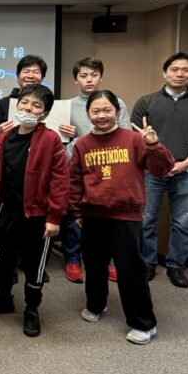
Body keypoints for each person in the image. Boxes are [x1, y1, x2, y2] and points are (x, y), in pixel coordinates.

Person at [69, 90, 174, 345]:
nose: (101, 115)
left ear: (116, 111)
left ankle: (143, 323)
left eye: (107, 110)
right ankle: (96, 305)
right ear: (88, 114)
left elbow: (162, 169)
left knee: (131, 272)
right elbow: (75, 181)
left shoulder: (134, 140)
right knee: (94, 267)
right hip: (93, 215)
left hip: (126, 216)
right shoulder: (82, 144)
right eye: (95, 111)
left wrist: (154, 145)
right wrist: (77, 212)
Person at [0, 84, 69, 337]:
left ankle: (32, 309)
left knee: (34, 264)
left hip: (38, 214)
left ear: (44, 113)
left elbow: (60, 181)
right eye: (24, 103)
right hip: (6, 210)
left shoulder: (51, 140)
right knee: (2, 260)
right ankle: (4, 298)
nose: (28, 108)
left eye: (36, 106)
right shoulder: (6, 136)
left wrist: (54, 217)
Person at [131, 52, 188, 288]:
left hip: (187, 171)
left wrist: (183, 164)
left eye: (186, 70)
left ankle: (176, 266)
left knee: (183, 221)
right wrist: (158, 162)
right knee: (146, 219)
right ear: (165, 73)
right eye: (175, 69)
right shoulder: (146, 102)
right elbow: (135, 137)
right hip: (151, 172)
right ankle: (147, 263)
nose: (180, 74)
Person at [58, 57, 131, 284]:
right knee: (74, 213)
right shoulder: (66, 106)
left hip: (109, 166)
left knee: (105, 216)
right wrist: (70, 136)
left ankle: (106, 261)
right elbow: (59, 141)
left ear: (101, 77)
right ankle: (72, 259)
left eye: (93, 75)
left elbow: (126, 134)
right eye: (83, 75)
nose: (89, 79)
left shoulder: (116, 102)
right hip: (77, 165)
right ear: (75, 79)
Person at [0, 55, 47, 135]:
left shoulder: (49, 103)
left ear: (42, 78)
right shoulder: (4, 103)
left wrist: (66, 134)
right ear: (17, 76)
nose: (30, 76)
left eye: (36, 72)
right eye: (26, 71)